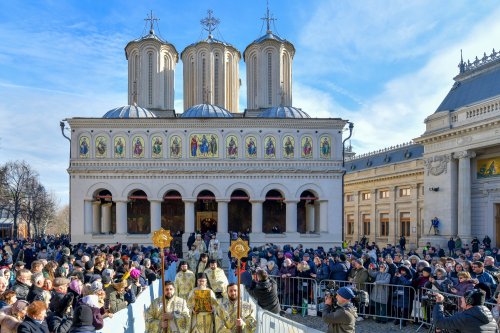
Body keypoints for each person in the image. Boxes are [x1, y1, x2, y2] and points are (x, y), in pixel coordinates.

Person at [432, 289, 497, 332]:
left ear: (469, 301)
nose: (461, 299)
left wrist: (439, 303)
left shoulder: (464, 317)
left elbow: (438, 322)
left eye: (463, 298)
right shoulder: (493, 321)